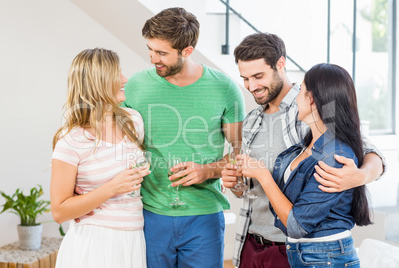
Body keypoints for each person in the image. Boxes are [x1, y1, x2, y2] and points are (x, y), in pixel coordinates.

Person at [221, 32, 386, 268]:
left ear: (280, 64)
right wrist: (236, 183)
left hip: (291, 247)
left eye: (258, 76)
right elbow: (250, 189)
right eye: (245, 78)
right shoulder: (252, 121)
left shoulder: (312, 108)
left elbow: (366, 149)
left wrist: (358, 176)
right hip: (251, 243)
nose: (251, 86)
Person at [121, 7, 245, 268]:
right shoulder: (135, 87)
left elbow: (240, 152)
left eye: (162, 53)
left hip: (204, 217)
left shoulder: (225, 88)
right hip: (149, 214)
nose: (154, 58)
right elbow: (120, 144)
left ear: (187, 51)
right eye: (150, 49)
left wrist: (208, 171)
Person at [239, 63, 371, 267]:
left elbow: (296, 224)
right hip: (303, 254)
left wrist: (263, 175)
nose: (295, 97)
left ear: (311, 99)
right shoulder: (307, 146)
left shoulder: (334, 156)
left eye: (300, 90)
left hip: (325, 257)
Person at [51, 48, 149, 267]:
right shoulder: (71, 141)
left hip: (134, 238)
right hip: (94, 244)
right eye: (117, 75)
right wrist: (110, 188)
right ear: (98, 83)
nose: (125, 79)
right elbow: (59, 211)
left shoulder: (133, 121)